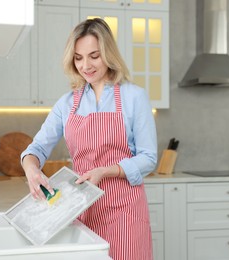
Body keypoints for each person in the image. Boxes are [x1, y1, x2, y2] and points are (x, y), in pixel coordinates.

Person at [21, 18, 157, 260]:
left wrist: (106, 171)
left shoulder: (134, 96)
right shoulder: (67, 103)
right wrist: (32, 170)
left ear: (108, 54)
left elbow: (148, 158)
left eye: (94, 56)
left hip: (124, 210)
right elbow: (37, 148)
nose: (86, 65)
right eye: (78, 57)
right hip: (81, 207)